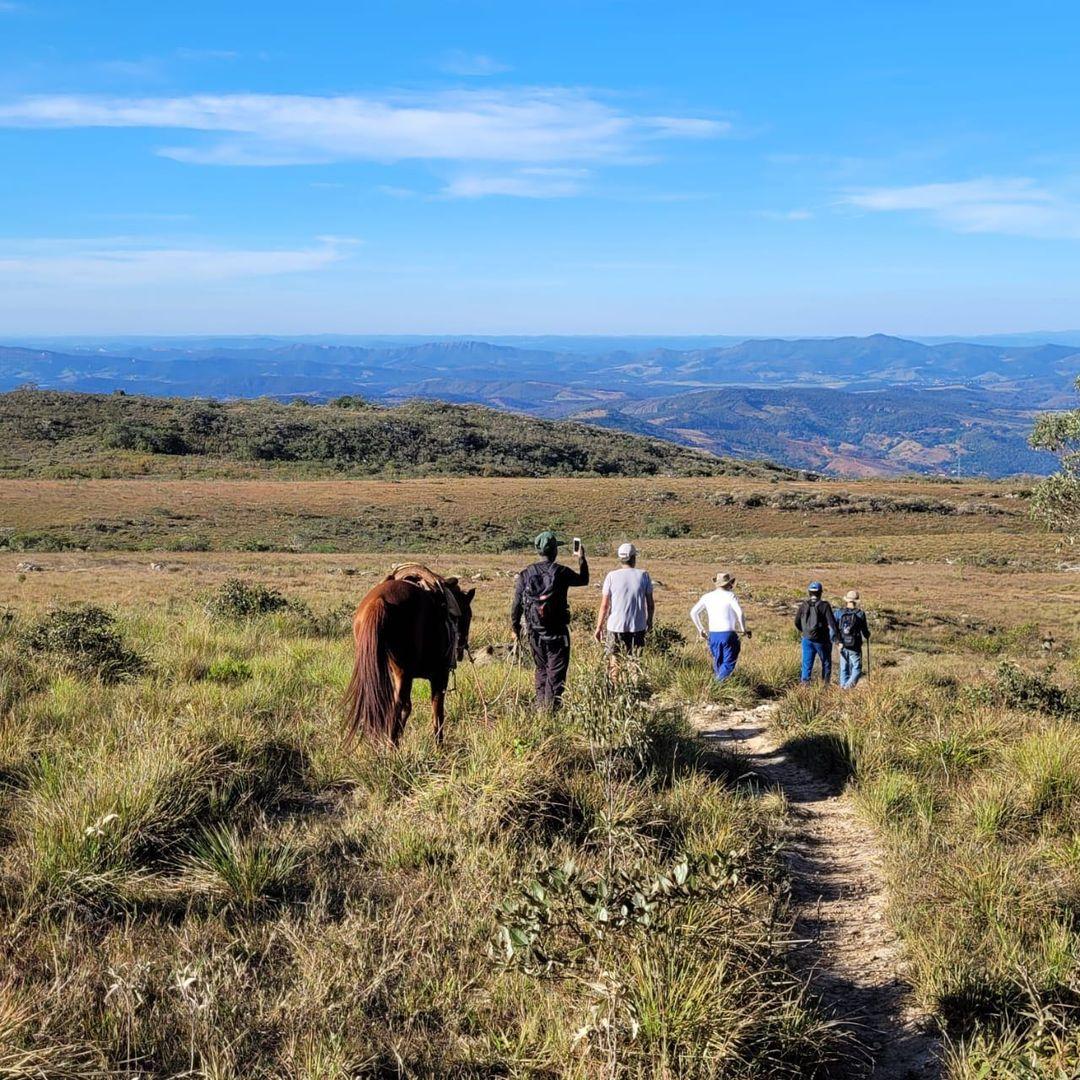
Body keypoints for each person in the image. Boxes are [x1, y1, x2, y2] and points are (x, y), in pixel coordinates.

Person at [510, 530, 589, 710]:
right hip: (557, 632)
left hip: (534, 631)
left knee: (541, 669)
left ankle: (541, 706)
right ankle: (550, 710)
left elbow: (516, 605)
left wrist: (516, 628)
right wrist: (581, 558)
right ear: (555, 552)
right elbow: (584, 580)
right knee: (556, 671)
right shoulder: (561, 572)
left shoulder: (525, 574)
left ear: (538, 551)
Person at [594, 542, 654, 676]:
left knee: (614, 662)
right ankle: (633, 689)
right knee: (635, 662)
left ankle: (615, 690)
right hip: (637, 626)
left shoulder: (611, 576)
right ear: (634, 558)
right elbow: (650, 604)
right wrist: (649, 621)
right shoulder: (643, 575)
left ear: (620, 558)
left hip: (615, 626)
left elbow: (604, 606)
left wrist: (599, 627)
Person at [690, 572, 750, 681]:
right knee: (728, 662)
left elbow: (693, 612)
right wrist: (743, 629)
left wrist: (700, 629)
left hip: (713, 635)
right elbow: (740, 613)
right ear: (728, 584)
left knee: (718, 662)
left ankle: (717, 689)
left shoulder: (707, 597)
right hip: (728, 634)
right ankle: (717, 686)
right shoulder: (730, 596)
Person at [794, 581, 838, 684]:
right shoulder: (824, 605)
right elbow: (832, 623)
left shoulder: (804, 605)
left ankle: (805, 686)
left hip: (807, 639)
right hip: (822, 640)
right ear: (820, 593)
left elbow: (796, 621)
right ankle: (825, 686)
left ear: (809, 592)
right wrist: (838, 638)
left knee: (806, 664)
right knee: (826, 663)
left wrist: (804, 631)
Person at [834, 589, 870, 689]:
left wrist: (837, 642)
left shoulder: (839, 613)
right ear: (856, 601)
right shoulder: (860, 614)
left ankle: (843, 688)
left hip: (842, 644)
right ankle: (847, 688)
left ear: (847, 600)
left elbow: (833, 628)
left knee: (844, 668)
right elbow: (865, 632)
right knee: (857, 668)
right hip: (855, 646)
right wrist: (867, 635)